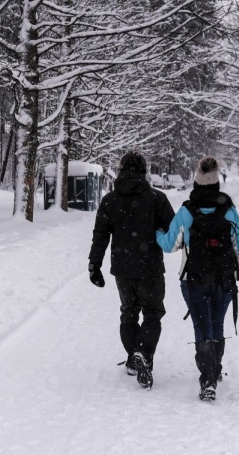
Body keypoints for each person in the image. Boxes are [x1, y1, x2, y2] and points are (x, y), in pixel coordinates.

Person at [156, 156, 239, 402]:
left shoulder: (186, 211)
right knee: (217, 324)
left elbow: (170, 245)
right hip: (224, 280)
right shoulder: (229, 211)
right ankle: (214, 369)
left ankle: (208, 379)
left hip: (193, 280)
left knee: (202, 327)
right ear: (216, 184)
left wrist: (158, 232)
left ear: (196, 182)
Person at [89, 150, 175, 389]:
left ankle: (132, 357)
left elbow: (100, 236)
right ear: (144, 171)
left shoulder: (109, 201)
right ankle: (143, 354)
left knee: (128, 312)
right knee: (153, 313)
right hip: (151, 268)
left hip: (123, 269)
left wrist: (94, 265)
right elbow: (173, 231)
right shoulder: (157, 199)